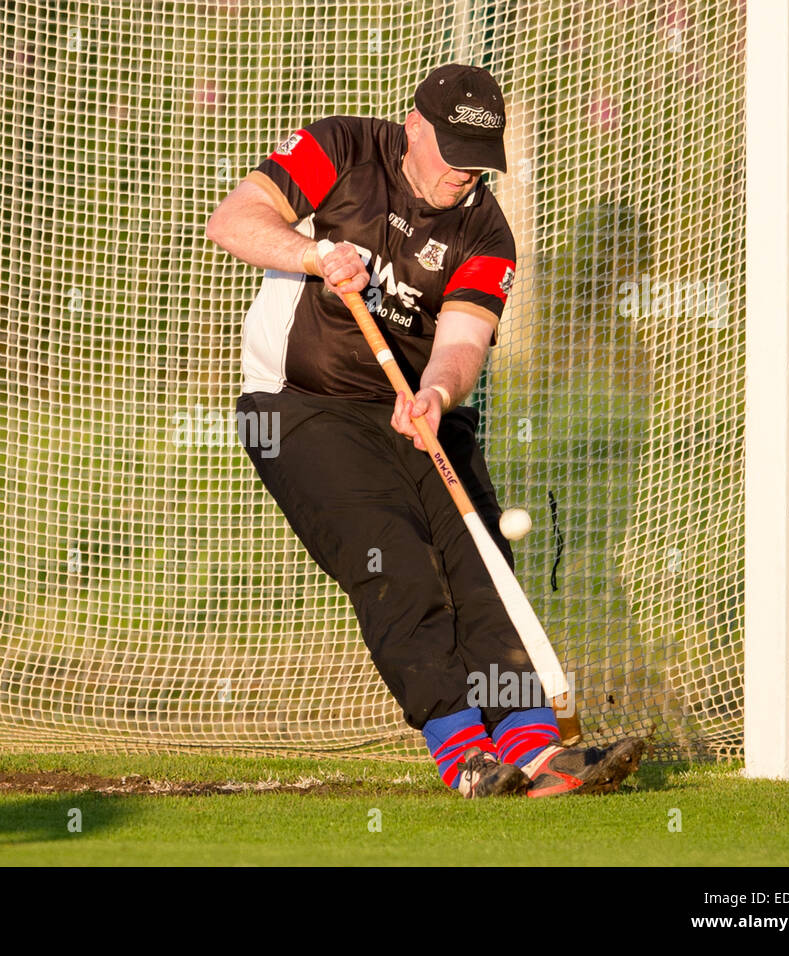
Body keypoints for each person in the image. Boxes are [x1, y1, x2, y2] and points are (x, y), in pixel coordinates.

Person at [206, 64, 644, 797]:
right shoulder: (339, 147)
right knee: (396, 564)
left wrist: (436, 394)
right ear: (414, 127)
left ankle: (535, 750)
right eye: (455, 151)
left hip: (419, 413)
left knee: (483, 570)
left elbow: (464, 339)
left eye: (483, 158)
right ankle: (464, 754)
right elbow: (234, 221)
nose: (468, 173)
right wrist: (312, 254)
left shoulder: (486, 227)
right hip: (300, 406)